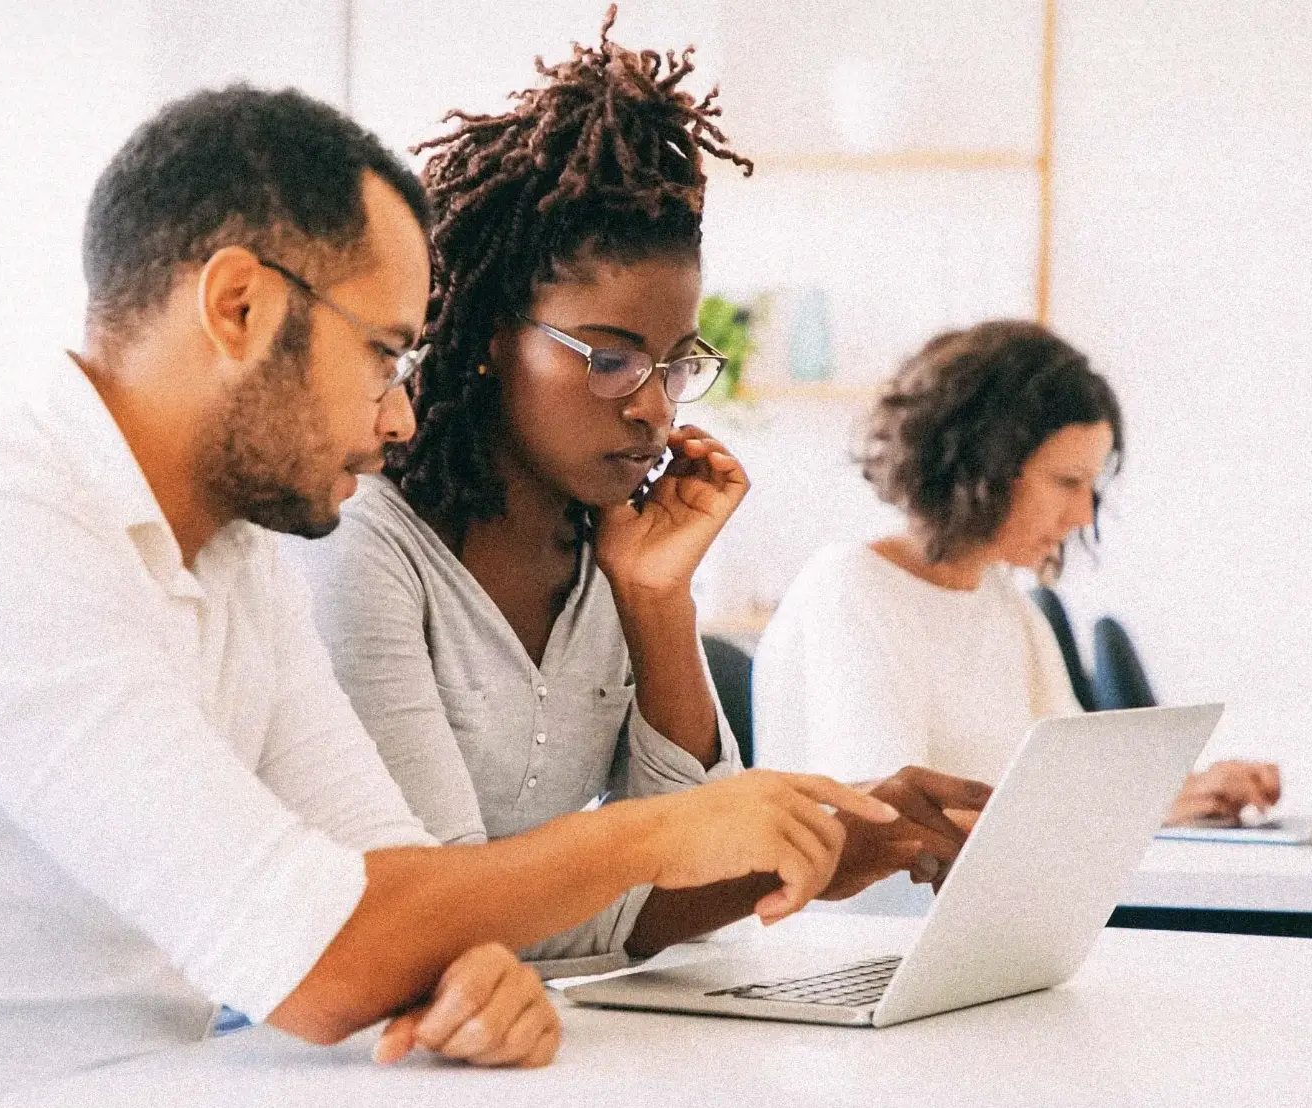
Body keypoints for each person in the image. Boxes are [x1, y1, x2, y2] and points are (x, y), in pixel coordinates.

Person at [0, 86, 902, 1107]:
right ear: (239, 308)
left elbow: (394, 885)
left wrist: (463, 968)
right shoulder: (3, 543)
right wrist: (659, 829)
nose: (399, 416)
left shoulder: (232, 557)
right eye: (386, 354)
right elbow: (328, 958)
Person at [295, 10, 990, 974]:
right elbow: (441, 915)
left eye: (675, 365)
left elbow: (693, 862)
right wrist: (794, 858)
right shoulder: (364, 543)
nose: (654, 411)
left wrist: (658, 600)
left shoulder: (608, 551)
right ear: (494, 336)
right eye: (612, 359)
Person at [753, 319, 1280, 827]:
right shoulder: (851, 588)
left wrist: (1195, 789)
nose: (1083, 516)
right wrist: (1140, 809)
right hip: (880, 920)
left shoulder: (1001, 600)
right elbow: (891, 825)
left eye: (1090, 487)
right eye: (1067, 482)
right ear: (983, 467)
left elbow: (1082, 786)